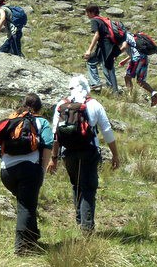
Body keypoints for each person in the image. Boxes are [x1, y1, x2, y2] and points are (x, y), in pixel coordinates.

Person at [47, 75, 120, 234]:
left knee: (77, 184)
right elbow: (107, 131)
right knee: (88, 187)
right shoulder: (94, 104)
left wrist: (54, 158)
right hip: (89, 151)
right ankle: (87, 228)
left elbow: (55, 134)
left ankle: (80, 220)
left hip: (68, 152)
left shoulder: (62, 105)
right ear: (86, 89)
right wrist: (115, 155)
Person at [0, 93, 53, 255]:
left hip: (6, 172)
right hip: (29, 170)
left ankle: (33, 237)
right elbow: (48, 145)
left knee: (27, 203)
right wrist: (42, 170)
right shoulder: (41, 122)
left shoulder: (12, 120)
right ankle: (21, 247)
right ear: (39, 108)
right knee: (26, 206)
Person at [83, 4, 120, 94]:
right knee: (91, 61)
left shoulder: (95, 20)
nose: (86, 15)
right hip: (107, 46)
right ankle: (96, 84)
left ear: (92, 12)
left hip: (106, 47)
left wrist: (89, 50)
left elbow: (97, 35)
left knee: (108, 68)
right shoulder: (103, 20)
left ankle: (114, 92)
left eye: (87, 13)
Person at [118, 32, 157, 106]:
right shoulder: (132, 37)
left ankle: (129, 96)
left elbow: (125, 47)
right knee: (140, 81)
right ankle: (154, 93)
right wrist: (125, 60)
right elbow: (135, 51)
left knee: (127, 77)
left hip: (137, 59)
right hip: (144, 58)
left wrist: (114, 55)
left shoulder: (124, 37)